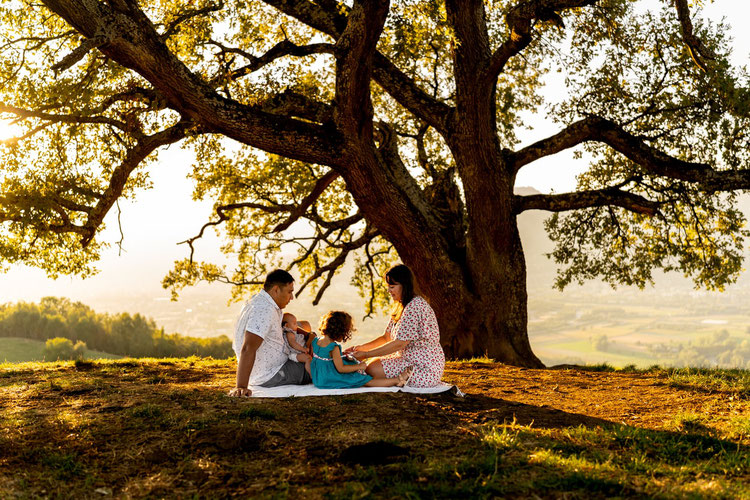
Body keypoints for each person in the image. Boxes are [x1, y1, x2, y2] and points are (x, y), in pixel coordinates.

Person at [345, 264, 445, 388]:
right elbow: (386, 338)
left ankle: (399, 379)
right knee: (370, 367)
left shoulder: (414, 307)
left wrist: (366, 355)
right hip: (408, 357)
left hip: (423, 365)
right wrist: (361, 348)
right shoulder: (401, 305)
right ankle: (396, 379)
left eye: (392, 287)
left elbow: (399, 343)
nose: (389, 291)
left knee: (372, 370)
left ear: (404, 286)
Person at [228, 269, 311, 397]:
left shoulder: (260, 300)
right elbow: (248, 348)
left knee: (305, 325)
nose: (292, 297)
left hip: (272, 361)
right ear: (276, 290)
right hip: (272, 373)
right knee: (320, 366)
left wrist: (306, 334)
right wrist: (241, 387)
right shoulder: (265, 310)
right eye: (289, 292)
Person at [311, 311, 411, 389]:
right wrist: (359, 366)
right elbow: (340, 369)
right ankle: (397, 380)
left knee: (351, 365)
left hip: (319, 378)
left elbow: (325, 359)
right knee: (365, 380)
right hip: (329, 378)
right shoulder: (333, 347)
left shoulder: (316, 341)